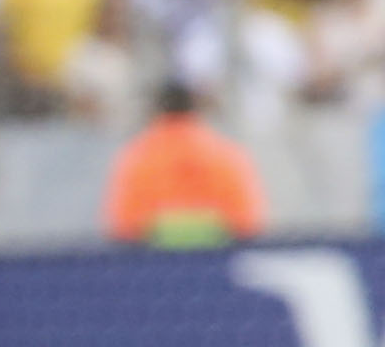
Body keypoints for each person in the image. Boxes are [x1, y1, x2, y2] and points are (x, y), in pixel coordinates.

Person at [102, 85, 269, 248]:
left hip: (152, 264)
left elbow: (123, 225)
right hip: (218, 261)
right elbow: (248, 222)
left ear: (155, 111)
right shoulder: (227, 154)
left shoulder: (136, 157)